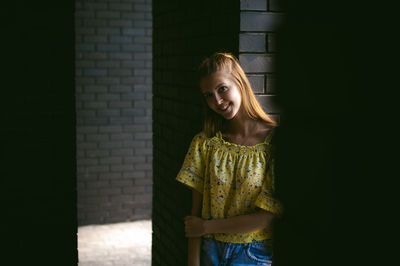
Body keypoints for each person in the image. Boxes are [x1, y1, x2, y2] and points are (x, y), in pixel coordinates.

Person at [176, 52, 283, 266]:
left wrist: (207, 227)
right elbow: (193, 218)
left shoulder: (275, 144)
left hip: (254, 254)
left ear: (240, 83)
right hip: (210, 251)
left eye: (222, 89)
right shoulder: (205, 143)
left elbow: (267, 216)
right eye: (208, 95)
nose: (216, 101)